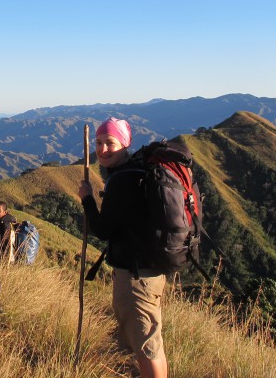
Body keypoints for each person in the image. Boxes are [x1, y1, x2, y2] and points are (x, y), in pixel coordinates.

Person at [77, 118, 168, 378]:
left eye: (110, 143)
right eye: (98, 143)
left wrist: (87, 200)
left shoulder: (122, 181)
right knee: (150, 342)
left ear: (124, 144)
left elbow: (103, 229)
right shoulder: (136, 173)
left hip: (135, 277)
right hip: (148, 272)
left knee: (146, 347)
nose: (103, 149)